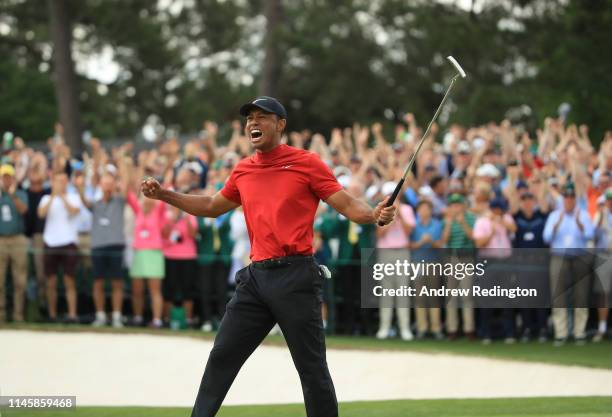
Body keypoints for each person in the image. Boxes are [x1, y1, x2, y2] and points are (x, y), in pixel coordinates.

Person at [140, 96, 396, 417]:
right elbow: (210, 207)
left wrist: (374, 214)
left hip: (296, 277)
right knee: (222, 357)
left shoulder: (307, 163)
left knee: (311, 369)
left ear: (281, 124)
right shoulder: (243, 170)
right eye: (250, 119)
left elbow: (346, 204)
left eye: (262, 117)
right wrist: (165, 194)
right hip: (256, 279)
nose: (253, 123)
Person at [543, 183, 595, 346]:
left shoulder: (583, 214)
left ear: (575, 199)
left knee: (581, 295)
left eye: (572, 197)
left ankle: (579, 332)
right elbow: (546, 237)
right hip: (559, 256)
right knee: (558, 295)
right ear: (563, 199)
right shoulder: (554, 215)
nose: (569, 200)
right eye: (567, 197)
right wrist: (557, 223)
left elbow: (590, 234)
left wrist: (580, 224)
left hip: (579, 256)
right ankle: (561, 333)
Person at [78, 172, 128, 328]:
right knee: (98, 282)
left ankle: (117, 316)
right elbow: (85, 202)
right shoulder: (96, 203)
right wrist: (80, 187)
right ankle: (100, 315)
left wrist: (123, 164)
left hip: (115, 245)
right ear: (100, 185)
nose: (107, 186)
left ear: (114, 185)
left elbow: (126, 186)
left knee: (117, 283)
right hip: (98, 246)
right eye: (105, 183)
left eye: (110, 183)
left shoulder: (120, 201)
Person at [37, 171, 83, 323]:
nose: (60, 184)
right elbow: (41, 214)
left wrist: (62, 196)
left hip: (69, 242)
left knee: (69, 280)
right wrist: (53, 196)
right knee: (50, 281)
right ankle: (52, 314)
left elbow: (74, 211)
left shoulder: (74, 197)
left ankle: (72, 314)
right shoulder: (46, 198)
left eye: (63, 181)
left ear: (67, 183)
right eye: (57, 181)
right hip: (50, 242)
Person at [375, 182, 416, 341]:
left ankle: (405, 329)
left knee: (402, 291)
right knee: (386, 291)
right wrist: (389, 219)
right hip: (385, 252)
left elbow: (408, 231)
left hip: (402, 252)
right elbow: (379, 234)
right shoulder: (380, 211)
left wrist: (399, 215)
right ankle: (384, 328)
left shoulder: (407, 209)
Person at [441, 193, 477, 340]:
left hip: (467, 258)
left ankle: (469, 329)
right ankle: (452, 329)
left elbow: (473, 237)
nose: (455, 207)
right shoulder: (447, 220)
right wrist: (449, 224)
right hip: (452, 259)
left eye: (458, 205)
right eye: (452, 205)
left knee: (467, 295)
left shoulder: (470, 218)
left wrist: (463, 223)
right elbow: (443, 240)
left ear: (463, 206)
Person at [410, 198, 444, 339]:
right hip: (417, 263)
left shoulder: (437, 225)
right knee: (419, 297)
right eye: (422, 209)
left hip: (433, 263)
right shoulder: (413, 225)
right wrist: (420, 243)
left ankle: (436, 328)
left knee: (433, 296)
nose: (424, 211)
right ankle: (422, 327)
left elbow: (441, 244)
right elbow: (410, 245)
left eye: (427, 208)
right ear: (418, 211)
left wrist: (430, 242)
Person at [0, 164, 29, 323]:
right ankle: (1, 315)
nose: (6, 180)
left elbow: (24, 210)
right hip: (1, 240)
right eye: (3, 177)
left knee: (20, 280)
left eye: (9, 177)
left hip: (17, 239)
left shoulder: (19, 194)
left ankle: (18, 315)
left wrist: (12, 195)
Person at [593, 188, 612, 342]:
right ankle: (602, 327)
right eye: (609, 199)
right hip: (603, 254)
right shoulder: (600, 215)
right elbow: (592, 234)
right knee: (603, 292)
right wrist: (600, 220)